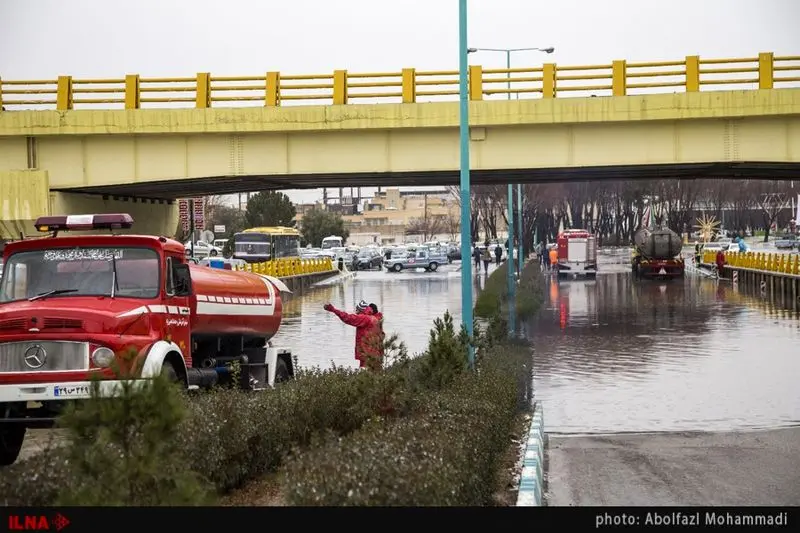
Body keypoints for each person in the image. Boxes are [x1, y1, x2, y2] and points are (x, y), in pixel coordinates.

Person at [324, 299, 383, 371]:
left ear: (361, 310)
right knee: (376, 376)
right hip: (376, 354)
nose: (356, 312)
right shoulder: (375, 319)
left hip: (367, 354)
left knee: (364, 378)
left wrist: (333, 309)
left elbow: (348, 318)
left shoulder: (365, 318)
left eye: (357, 310)